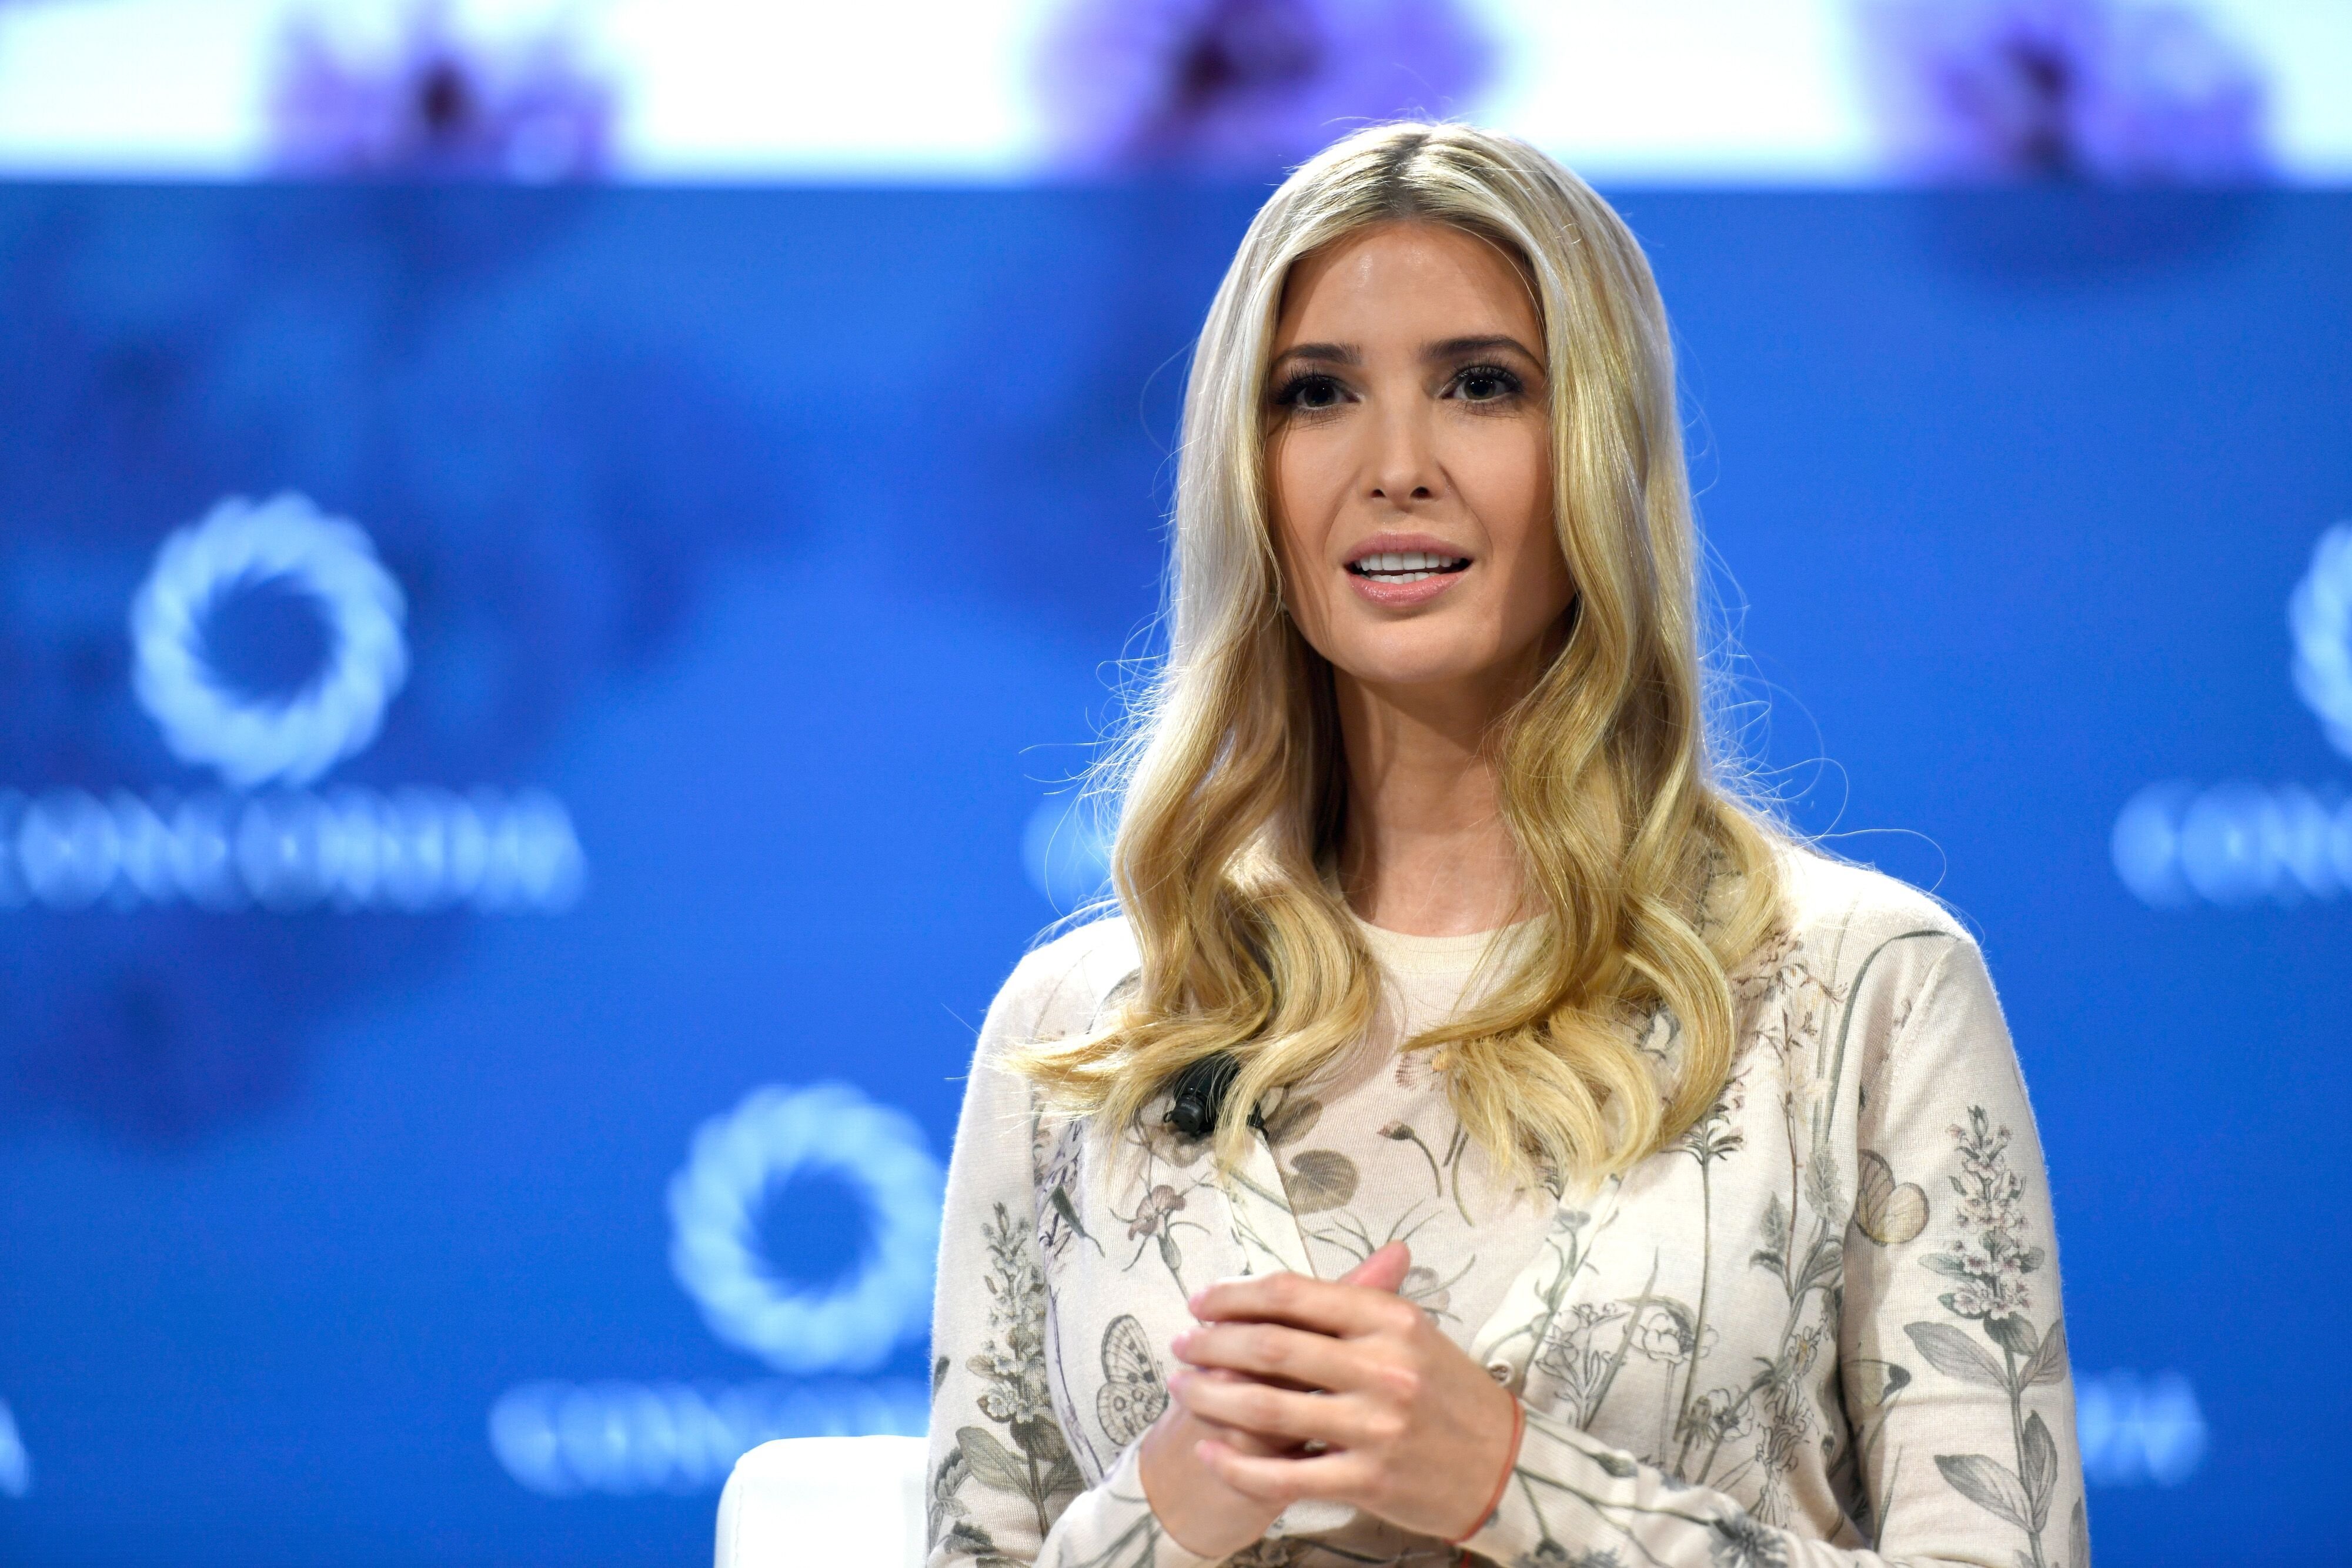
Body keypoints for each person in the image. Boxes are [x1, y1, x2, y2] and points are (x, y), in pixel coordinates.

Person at [924, 122, 2086, 1568]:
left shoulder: (1860, 987)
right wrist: (1174, 1502)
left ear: (1597, 446)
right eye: (1316, 393)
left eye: (1481, 385)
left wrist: (1517, 1487)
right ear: (1247, 466)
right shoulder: (1086, 1029)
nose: (1394, 465)